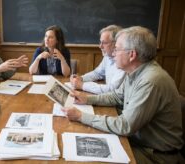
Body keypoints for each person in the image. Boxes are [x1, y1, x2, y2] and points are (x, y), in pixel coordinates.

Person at [63, 26, 184, 163]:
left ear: (131, 55)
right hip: (138, 142)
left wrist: (81, 116)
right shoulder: (135, 71)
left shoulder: (150, 81)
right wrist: (87, 99)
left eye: (117, 49)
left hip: (155, 154)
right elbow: (116, 96)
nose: (113, 54)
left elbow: (124, 125)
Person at [70, 25, 125, 94]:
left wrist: (82, 85)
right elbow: (97, 73)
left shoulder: (124, 62)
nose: (100, 46)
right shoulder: (107, 56)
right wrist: (81, 78)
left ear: (116, 43)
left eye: (104, 43)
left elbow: (111, 89)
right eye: (100, 42)